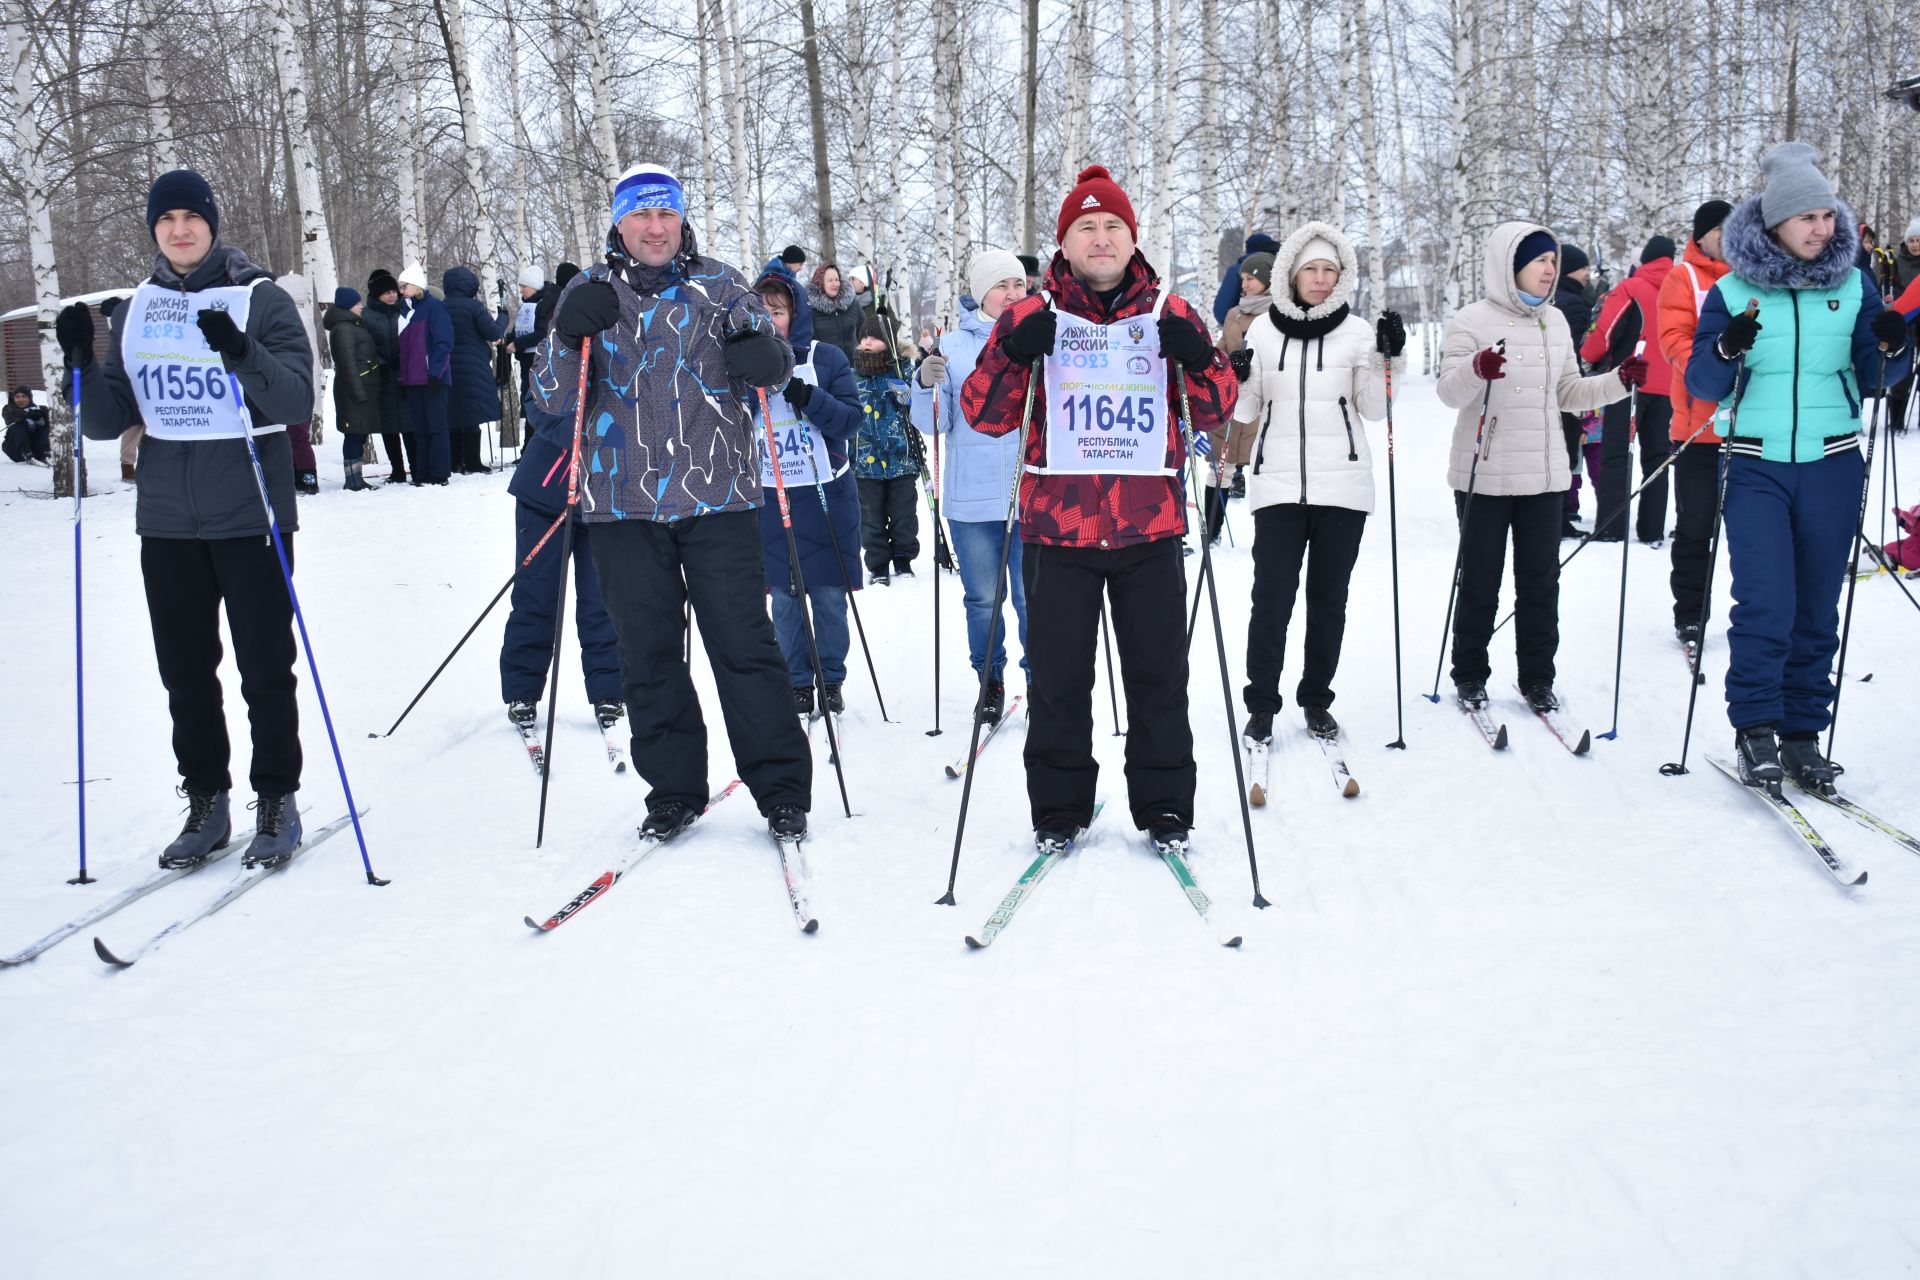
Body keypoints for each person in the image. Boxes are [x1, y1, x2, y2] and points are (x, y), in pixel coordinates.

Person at [529, 163, 811, 839]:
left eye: (666, 214)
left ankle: (779, 788)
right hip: (622, 505)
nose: (655, 228)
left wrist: (767, 362)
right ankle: (675, 789)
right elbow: (547, 401)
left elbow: (774, 361)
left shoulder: (720, 285)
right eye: (640, 215)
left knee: (744, 645)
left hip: (718, 498)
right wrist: (568, 337)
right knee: (647, 651)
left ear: (681, 220)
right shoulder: (587, 293)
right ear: (619, 222)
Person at [962, 165, 1236, 847]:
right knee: (1057, 682)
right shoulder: (1032, 314)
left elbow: (1218, 408)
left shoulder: (1168, 311)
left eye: (1113, 224)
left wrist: (1201, 355)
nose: (1101, 237)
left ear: (1132, 236)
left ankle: (1165, 804)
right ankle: (1060, 807)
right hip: (1059, 529)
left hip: (1149, 525)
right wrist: (1010, 357)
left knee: (1160, 678)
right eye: (1087, 226)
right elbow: (984, 414)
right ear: (1065, 241)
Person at [60, 168, 313, 866]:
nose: (179, 229)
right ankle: (207, 800)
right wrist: (80, 364)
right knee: (184, 671)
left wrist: (240, 350)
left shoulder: (259, 298)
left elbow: (294, 401)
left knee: (265, 668)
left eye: (191, 217)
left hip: (251, 510)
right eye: (166, 219)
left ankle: (276, 799)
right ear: (154, 229)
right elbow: (112, 419)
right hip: (168, 516)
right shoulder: (135, 307)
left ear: (212, 222)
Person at [1686, 143, 1910, 789]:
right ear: (1775, 223)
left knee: (1816, 606)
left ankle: (1803, 735)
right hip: (1756, 466)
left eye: (1828, 215)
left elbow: (1875, 373)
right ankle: (1756, 729)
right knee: (1766, 602)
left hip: (1833, 463)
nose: (1823, 227)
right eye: (1809, 217)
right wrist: (1727, 346)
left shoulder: (1853, 283)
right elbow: (1703, 377)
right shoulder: (1732, 290)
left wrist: (1894, 348)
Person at [1437, 222, 1642, 713]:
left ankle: (1537, 678)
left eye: (1553, 261)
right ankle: (1469, 674)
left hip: (1546, 477)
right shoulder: (1470, 320)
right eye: (1539, 262)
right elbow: (1449, 392)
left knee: (1540, 584)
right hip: (1483, 477)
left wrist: (1618, 381)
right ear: (1511, 267)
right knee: (1481, 580)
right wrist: (1476, 368)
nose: (1550, 270)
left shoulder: (1555, 323)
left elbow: (1570, 393)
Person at [1230, 222, 1402, 743]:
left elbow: (1376, 409)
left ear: (1342, 275)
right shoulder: (1262, 331)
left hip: (1343, 487)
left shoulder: (1358, 331)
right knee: (1272, 599)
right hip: (1277, 484)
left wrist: (1386, 357)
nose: (1322, 279)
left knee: (1329, 601)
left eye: (1330, 270)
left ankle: (1316, 699)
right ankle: (1262, 703)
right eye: (1312, 270)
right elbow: (1246, 409)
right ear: (1291, 274)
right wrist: (1236, 376)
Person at [911, 248, 1031, 723]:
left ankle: (1043, 681)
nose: (1012, 294)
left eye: (1019, 285)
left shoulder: (1041, 336)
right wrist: (924, 382)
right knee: (984, 600)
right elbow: (931, 424)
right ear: (981, 292)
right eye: (1002, 286)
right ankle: (990, 680)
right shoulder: (955, 346)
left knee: (1034, 600)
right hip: (972, 499)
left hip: (1032, 495)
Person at [752, 260, 863, 714]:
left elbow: (851, 420)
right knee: (784, 599)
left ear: (794, 314)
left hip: (825, 494)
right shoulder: (740, 364)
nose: (770, 321)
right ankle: (797, 679)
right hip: (771, 495)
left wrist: (809, 396)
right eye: (761, 313)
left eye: (777, 312)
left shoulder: (825, 357)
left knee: (830, 596)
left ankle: (830, 677)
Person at [1656, 199, 1733, 648]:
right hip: (1698, 429)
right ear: (1701, 234)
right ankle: (1690, 613)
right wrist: (1713, 373)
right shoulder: (1682, 277)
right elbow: (1674, 340)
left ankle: (1755, 612)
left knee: (1751, 530)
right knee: (1695, 527)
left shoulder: (1753, 277)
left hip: (1750, 429)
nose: (1727, 236)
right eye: (1719, 229)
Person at [1582, 237, 1677, 543]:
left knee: (1616, 456)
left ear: (1645, 259)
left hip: (1629, 383)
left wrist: (1588, 357)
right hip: (1669, 386)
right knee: (1658, 458)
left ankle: (1611, 527)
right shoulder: (1680, 289)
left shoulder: (1631, 287)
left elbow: (1605, 333)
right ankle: (1651, 529)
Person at [1205, 250, 1272, 542]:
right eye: (1243, 278)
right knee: (1220, 467)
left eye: (1251, 279)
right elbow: (1222, 347)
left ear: (1268, 281)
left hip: (1263, 403)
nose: (1244, 284)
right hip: (1232, 399)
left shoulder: (1279, 315)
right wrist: (1212, 360)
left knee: (1264, 470)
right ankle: (1211, 529)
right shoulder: (1234, 313)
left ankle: (1270, 535)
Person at [851, 314, 920, 582]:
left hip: (901, 457)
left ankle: (903, 559)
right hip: (865, 460)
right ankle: (877, 564)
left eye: (874, 337)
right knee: (871, 517)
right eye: (864, 336)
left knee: (904, 513)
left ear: (888, 342)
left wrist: (908, 387)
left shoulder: (903, 371)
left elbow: (917, 404)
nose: (867, 341)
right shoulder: (851, 377)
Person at [442, 266, 510, 474]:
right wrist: (504, 317)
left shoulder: (440, 306)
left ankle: (455, 461)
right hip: (473, 367)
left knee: (454, 414)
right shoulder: (474, 307)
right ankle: (472, 462)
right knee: (471, 416)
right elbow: (493, 332)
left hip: (447, 366)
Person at [1551, 244, 1595, 535]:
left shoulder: (1551, 300)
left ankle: (1556, 514)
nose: (1588, 275)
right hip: (1567, 388)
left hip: (1547, 388)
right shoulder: (1576, 304)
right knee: (1566, 453)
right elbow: (1580, 351)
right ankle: (1562, 516)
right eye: (1583, 269)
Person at [396, 263, 453, 484]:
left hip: (432, 377)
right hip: (412, 379)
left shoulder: (434, 308)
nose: (401, 291)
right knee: (420, 428)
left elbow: (443, 342)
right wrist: (403, 377)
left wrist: (435, 373)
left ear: (416, 285)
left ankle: (439, 473)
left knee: (436, 425)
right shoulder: (405, 311)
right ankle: (423, 471)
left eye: (405, 286)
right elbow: (405, 350)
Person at [323, 287, 381, 491]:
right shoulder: (344, 329)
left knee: (358, 433)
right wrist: (359, 393)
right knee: (354, 434)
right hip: (352, 391)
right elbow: (347, 363)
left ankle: (357, 477)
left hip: (359, 388)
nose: (361, 306)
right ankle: (353, 480)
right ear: (348, 306)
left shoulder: (352, 325)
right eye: (357, 303)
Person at [1212, 231, 1281, 325]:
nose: (1245, 285)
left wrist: (1234, 328)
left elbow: (1222, 309)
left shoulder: (1236, 270)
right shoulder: (1281, 270)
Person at [807, 263, 865, 363]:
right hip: (824, 366)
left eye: (837, 280)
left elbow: (865, 331)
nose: (835, 284)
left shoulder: (853, 304)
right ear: (820, 283)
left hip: (853, 365)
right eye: (830, 280)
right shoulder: (811, 309)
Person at [511, 264, 548, 400]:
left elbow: (541, 334)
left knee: (533, 400)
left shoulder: (543, 305)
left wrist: (516, 344)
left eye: (523, 286)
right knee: (527, 399)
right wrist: (506, 339)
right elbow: (519, 330)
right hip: (525, 361)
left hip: (538, 360)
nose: (521, 290)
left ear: (534, 287)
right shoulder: (525, 306)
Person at [2, 386, 50, 463]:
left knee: (44, 425)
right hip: (16, 448)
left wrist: (40, 417)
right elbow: (11, 418)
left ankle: (46, 452)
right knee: (18, 423)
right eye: (17, 397)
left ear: (29, 398)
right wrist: (26, 414)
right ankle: (26, 453)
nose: (21, 400)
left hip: (36, 446)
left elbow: (49, 422)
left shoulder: (40, 409)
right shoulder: (8, 409)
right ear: (13, 398)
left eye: (24, 396)